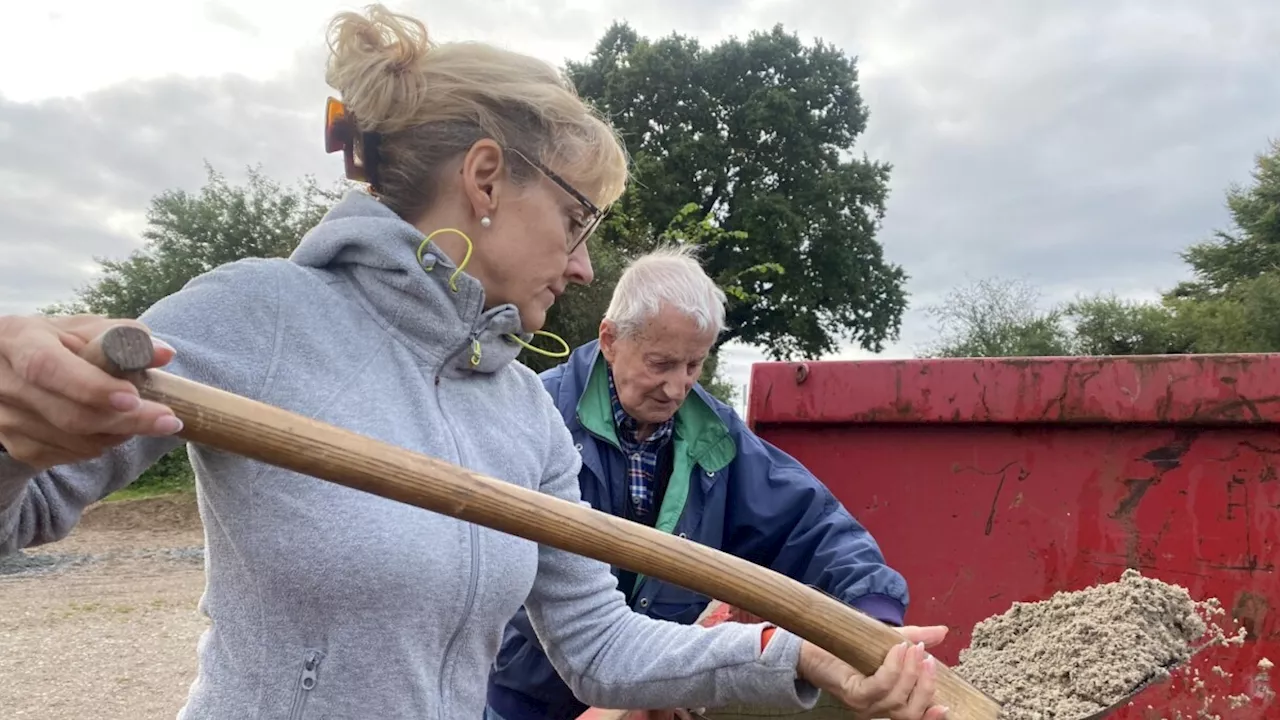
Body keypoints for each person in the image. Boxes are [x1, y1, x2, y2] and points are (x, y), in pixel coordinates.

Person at [0, 6, 949, 720]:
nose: (583, 266)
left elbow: (598, 644)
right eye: (578, 221)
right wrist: (12, 429)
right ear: (487, 179)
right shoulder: (261, 314)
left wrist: (795, 655)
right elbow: (27, 510)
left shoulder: (521, 412)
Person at [487, 245, 918, 720]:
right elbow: (488, 567)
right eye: (660, 363)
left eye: (693, 365)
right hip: (524, 698)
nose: (677, 387)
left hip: (656, 688)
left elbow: (809, 524)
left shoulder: (717, 437)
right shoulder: (539, 415)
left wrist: (872, 618)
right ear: (610, 340)